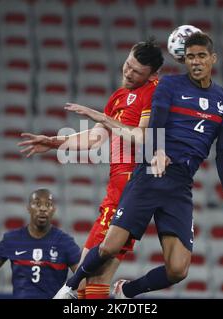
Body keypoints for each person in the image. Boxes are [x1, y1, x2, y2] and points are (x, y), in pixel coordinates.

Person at [54, 32, 223, 299]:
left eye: (201, 56)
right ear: (184, 61)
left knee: (178, 269)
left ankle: (127, 292)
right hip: (150, 173)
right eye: (190, 57)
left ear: (213, 58)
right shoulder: (169, 86)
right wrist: (159, 151)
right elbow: (153, 128)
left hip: (180, 184)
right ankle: (71, 286)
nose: (196, 62)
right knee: (109, 247)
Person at [18, 39, 164, 299]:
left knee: (86, 276)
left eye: (137, 72)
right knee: (93, 278)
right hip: (119, 187)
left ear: (152, 75)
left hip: (131, 185)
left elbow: (144, 137)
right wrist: (55, 142)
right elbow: (95, 139)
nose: (128, 74)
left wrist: (101, 117)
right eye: (128, 66)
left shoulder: (154, 92)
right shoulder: (118, 98)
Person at [0, 189, 80, 299]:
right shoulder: (12, 239)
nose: (43, 209)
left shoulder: (65, 242)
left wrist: (69, 293)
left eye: (48, 204)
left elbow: (83, 276)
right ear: (28, 208)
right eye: (37, 204)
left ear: (53, 209)